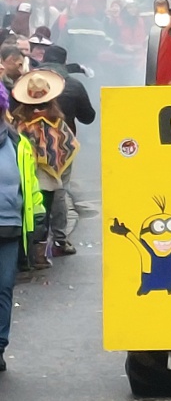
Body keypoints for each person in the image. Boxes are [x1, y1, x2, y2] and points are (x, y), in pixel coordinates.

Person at [11, 70, 79, 268]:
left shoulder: (20, 123)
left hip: (23, 177)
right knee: (44, 215)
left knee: (25, 215)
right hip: (47, 180)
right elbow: (67, 146)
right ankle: (40, 255)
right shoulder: (57, 122)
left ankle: (25, 255)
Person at [0, 82, 45, 371]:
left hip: (10, 228)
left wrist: (38, 221)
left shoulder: (19, 144)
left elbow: (31, 187)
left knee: (3, 288)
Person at [41, 45, 96, 252]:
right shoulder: (73, 85)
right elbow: (88, 117)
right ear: (64, 62)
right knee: (59, 189)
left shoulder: (29, 82)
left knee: (34, 189)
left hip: (29, 143)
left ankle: (34, 241)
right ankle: (59, 239)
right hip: (62, 146)